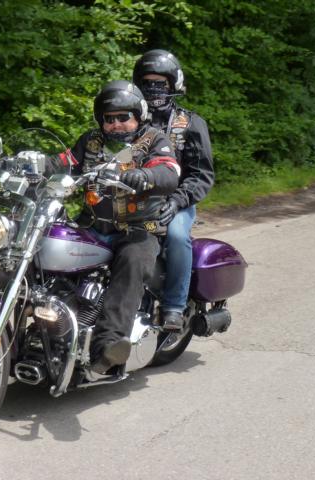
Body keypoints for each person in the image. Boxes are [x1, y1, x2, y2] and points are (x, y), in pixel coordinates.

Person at [65, 80, 181, 374]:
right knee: (50, 240)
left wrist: (146, 176)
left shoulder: (154, 140)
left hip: (138, 230)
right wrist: (35, 166)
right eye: (109, 118)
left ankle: (108, 346)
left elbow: (169, 171)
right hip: (93, 225)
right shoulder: (90, 141)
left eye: (123, 117)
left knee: (131, 262)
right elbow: (64, 162)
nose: (115, 124)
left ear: (138, 116)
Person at [132, 49, 215, 331]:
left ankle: (174, 307)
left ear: (173, 84)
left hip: (176, 202)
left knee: (178, 236)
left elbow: (201, 175)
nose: (153, 89)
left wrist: (179, 200)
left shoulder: (191, 124)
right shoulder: (130, 123)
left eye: (160, 83)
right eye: (147, 83)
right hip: (131, 200)